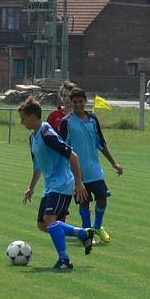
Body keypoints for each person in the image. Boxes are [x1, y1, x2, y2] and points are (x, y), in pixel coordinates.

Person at [19, 97, 96, 270]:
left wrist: (78, 183)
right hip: (51, 185)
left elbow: (73, 156)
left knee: (49, 219)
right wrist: (31, 188)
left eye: (23, 118)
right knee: (42, 225)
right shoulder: (33, 138)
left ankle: (65, 260)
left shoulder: (47, 134)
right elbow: (38, 165)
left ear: (33, 116)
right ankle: (84, 234)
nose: (21, 122)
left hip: (62, 184)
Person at [59, 88, 123, 244]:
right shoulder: (67, 122)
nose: (78, 104)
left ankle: (97, 227)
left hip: (95, 170)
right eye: (75, 102)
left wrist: (114, 163)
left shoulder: (93, 119)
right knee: (84, 202)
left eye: (81, 101)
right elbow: (62, 147)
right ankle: (87, 233)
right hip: (77, 172)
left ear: (85, 101)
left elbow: (101, 144)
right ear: (71, 103)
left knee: (102, 198)